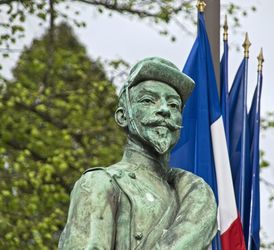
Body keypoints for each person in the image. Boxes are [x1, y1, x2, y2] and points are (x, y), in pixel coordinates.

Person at [58, 57, 217, 250]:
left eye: (174, 105)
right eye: (148, 101)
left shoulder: (191, 193)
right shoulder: (99, 182)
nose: (164, 110)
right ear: (123, 116)